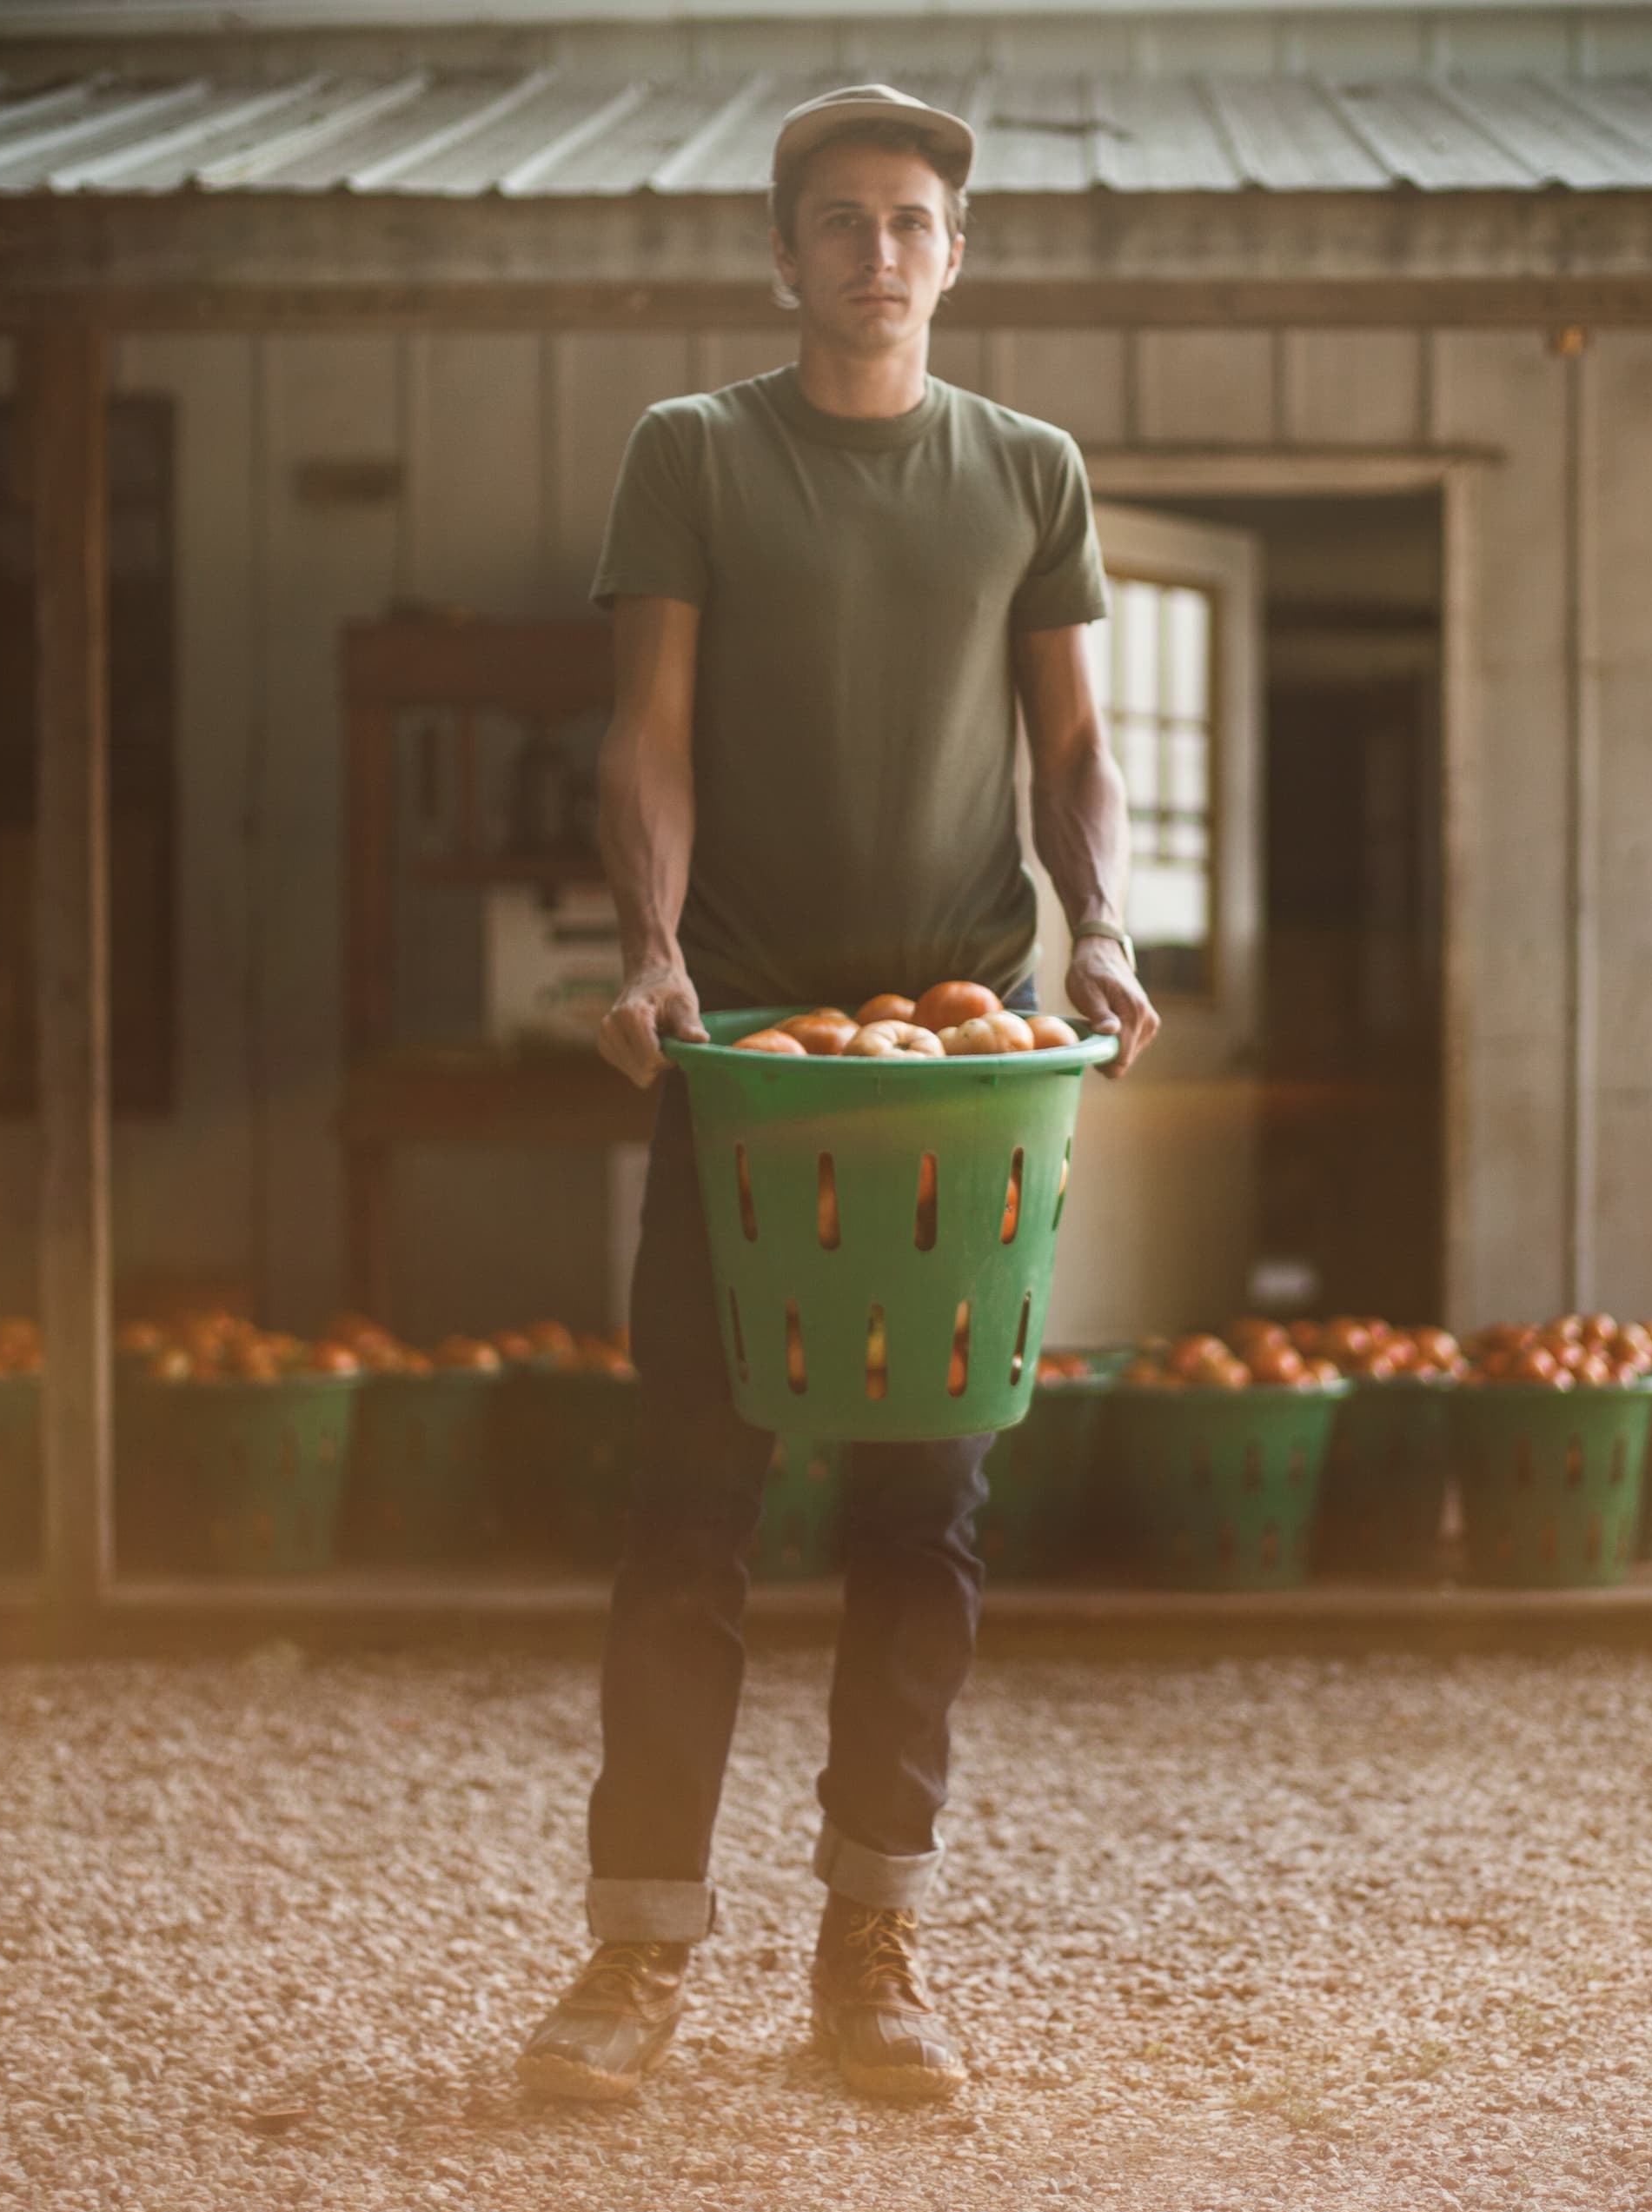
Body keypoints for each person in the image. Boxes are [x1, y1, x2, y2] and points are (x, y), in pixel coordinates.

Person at [514, 83, 1162, 2106]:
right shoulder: (696, 454)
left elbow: (1073, 749)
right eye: (842, 221)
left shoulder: (1028, 472)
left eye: (912, 222)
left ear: (955, 256)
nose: (879, 251)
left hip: (963, 1068)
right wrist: (652, 952)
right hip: (751, 1065)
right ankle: (633, 1961)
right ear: (783, 255)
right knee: (690, 1508)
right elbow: (649, 732)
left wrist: (1107, 932)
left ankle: (870, 1952)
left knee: (923, 1515)